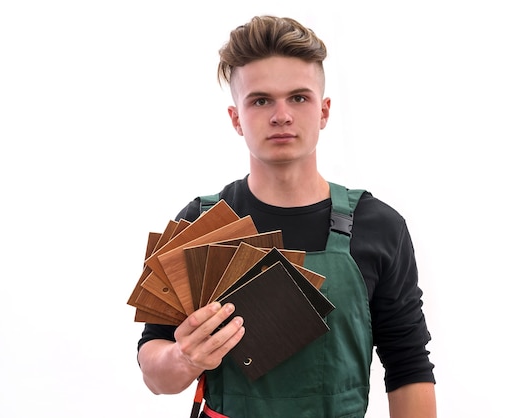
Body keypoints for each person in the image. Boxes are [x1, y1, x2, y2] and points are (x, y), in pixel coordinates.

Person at [137, 15, 436, 418]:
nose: (281, 115)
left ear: (324, 111)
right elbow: (154, 372)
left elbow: (407, 364)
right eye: (260, 100)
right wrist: (185, 359)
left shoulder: (380, 226)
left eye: (299, 97)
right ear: (236, 118)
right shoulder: (200, 224)